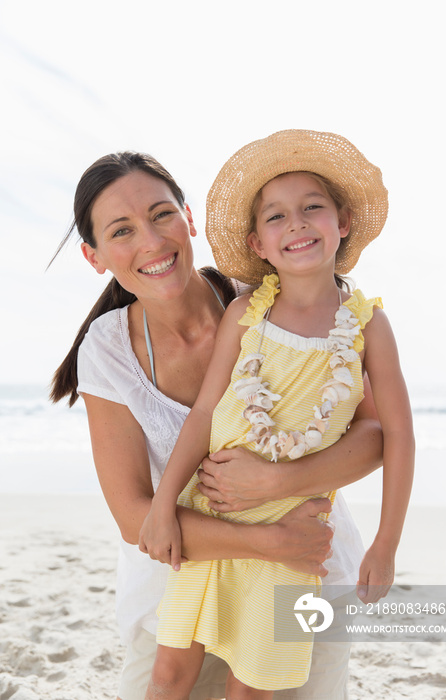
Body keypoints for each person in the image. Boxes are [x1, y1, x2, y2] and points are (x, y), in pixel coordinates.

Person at [50, 150, 383, 700]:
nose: (152, 243)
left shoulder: (271, 298)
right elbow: (136, 519)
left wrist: (279, 484)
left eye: (161, 215)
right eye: (122, 231)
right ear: (95, 255)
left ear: (189, 218)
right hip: (177, 596)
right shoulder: (107, 350)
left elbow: (376, 434)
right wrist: (270, 542)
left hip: (305, 577)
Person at [140, 130, 415, 699]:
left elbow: (399, 435)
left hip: (295, 536)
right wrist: (164, 503)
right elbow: (205, 412)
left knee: (254, 686)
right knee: (169, 674)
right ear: (258, 244)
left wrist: (386, 542)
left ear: (342, 223)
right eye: (277, 216)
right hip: (214, 516)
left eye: (312, 207)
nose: (296, 223)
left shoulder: (367, 327)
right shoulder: (246, 312)